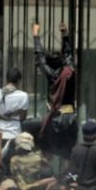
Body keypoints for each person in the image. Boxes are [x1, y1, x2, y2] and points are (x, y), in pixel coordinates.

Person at [24, 22, 79, 158]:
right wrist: (64, 34)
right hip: (71, 117)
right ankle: (67, 177)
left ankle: (47, 174)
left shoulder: (51, 74)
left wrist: (36, 36)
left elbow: (40, 58)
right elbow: (68, 54)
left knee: (47, 148)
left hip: (54, 118)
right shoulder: (69, 72)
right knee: (68, 153)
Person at [0, 67, 29, 146]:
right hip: (15, 134)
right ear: (19, 80)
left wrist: (3, 116)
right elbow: (23, 117)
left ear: (7, 79)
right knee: (14, 158)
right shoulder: (23, 96)